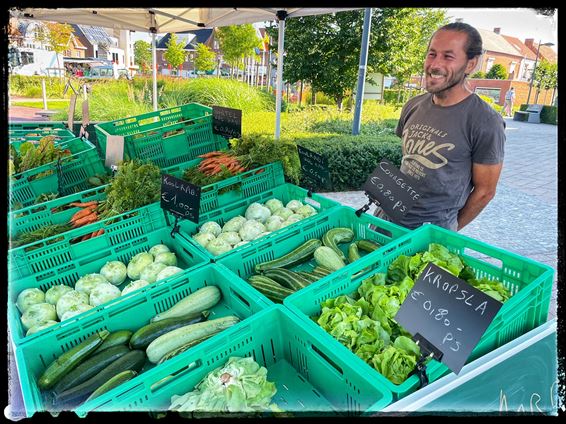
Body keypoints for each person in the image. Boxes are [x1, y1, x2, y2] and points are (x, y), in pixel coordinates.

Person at [373, 22, 505, 232]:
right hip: (384, 219)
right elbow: (408, 161)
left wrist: (446, 231)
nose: (434, 64)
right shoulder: (413, 105)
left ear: (470, 65)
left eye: (448, 56)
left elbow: (485, 191)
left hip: (427, 234)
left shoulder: (485, 121)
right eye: (432, 54)